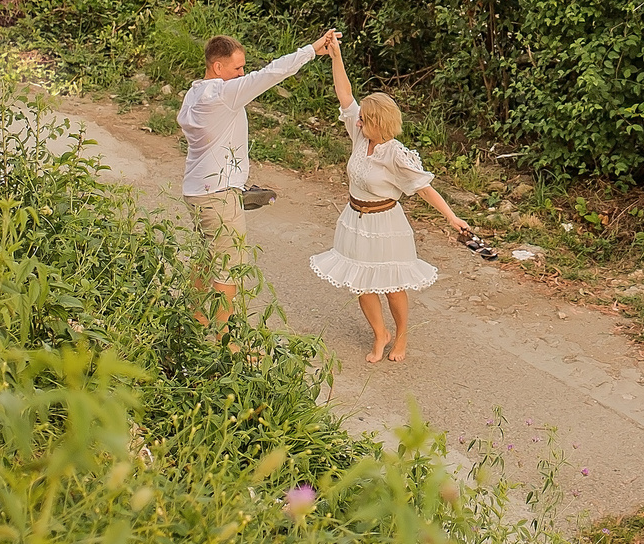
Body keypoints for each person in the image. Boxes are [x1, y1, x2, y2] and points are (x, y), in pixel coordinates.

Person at [311, 32, 470, 362]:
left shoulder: (396, 154)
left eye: (364, 119)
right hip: (354, 220)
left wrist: (451, 217)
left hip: (387, 224)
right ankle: (379, 334)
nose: (356, 120)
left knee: (392, 286)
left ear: (377, 122)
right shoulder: (359, 135)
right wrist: (335, 56)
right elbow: (345, 95)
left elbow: (424, 187)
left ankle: (401, 337)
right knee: (361, 284)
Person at [179, 29, 332, 326]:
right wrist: (312, 50)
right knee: (229, 268)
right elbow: (272, 73)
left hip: (196, 190)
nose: (242, 73)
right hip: (219, 193)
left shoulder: (195, 92)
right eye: (237, 68)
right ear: (218, 67)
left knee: (209, 258)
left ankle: (194, 322)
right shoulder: (225, 94)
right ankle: (226, 344)